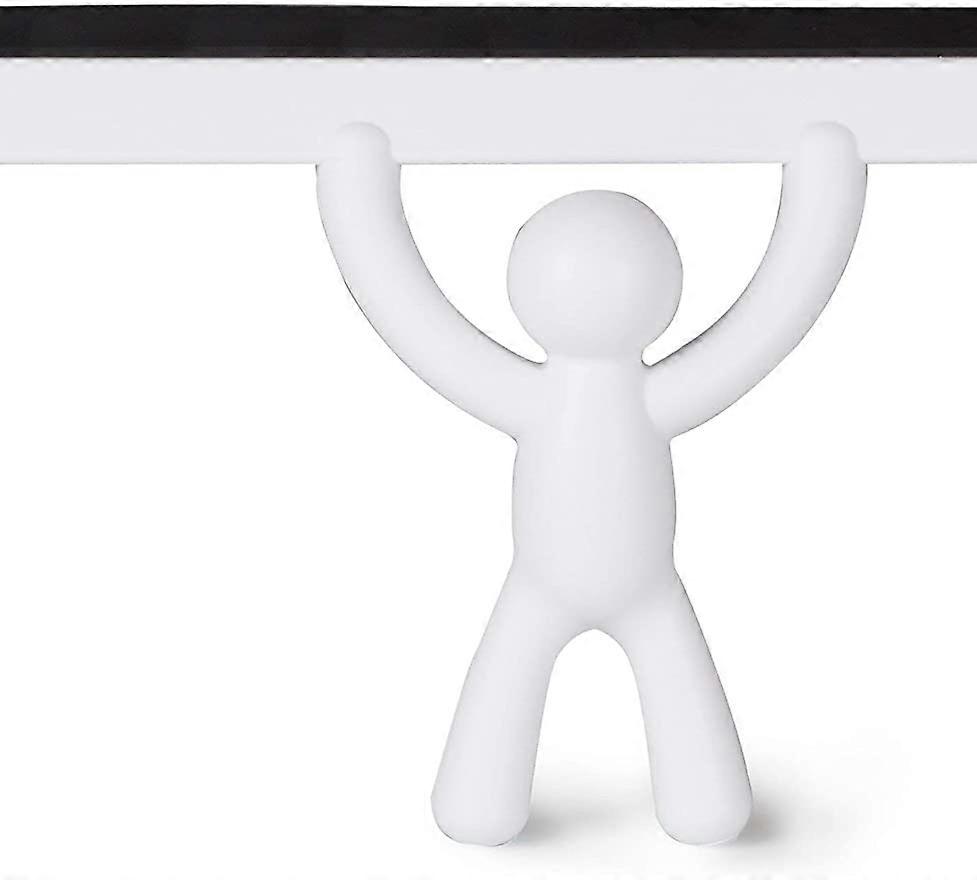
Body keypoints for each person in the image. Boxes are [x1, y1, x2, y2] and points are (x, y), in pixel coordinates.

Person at [317, 122, 866, 846]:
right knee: (648, 737)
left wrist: (355, 175)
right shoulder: (631, 397)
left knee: (530, 721)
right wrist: (827, 175)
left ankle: (541, 806)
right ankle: (671, 807)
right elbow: (776, 310)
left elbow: (402, 303)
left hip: (619, 583)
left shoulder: (557, 396)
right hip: (570, 582)